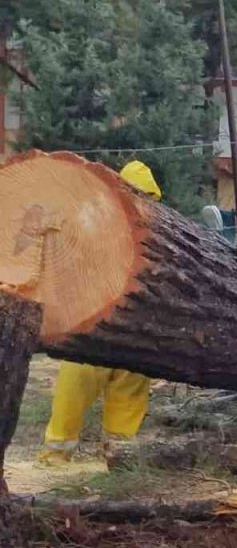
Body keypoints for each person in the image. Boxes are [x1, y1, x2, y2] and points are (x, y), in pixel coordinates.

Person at [38, 160, 164, 465]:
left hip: (127, 336)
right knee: (77, 392)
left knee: (121, 399)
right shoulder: (99, 225)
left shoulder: (155, 234)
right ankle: (60, 456)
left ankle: (115, 459)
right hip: (100, 332)